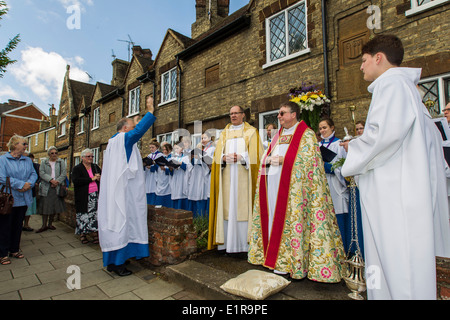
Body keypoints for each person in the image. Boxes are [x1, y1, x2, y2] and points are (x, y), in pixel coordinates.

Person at [340, 34, 450, 300]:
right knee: (392, 262)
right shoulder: (408, 91)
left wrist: (353, 148)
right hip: (404, 192)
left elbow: (383, 137)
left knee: (399, 265)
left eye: (364, 61)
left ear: (379, 58)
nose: (361, 67)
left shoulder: (391, 86)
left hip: (395, 198)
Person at [248, 102, 344, 281]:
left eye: (282, 113)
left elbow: (309, 161)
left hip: (295, 192)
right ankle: (273, 258)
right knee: (272, 220)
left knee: (290, 222)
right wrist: (268, 159)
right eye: (278, 113)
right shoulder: (278, 135)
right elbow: (265, 156)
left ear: (293, 115)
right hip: (273, 188)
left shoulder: (306, 134)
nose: (279, 116)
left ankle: (289, 263)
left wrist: (285, 160)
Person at [98, 96, 156, 276]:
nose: (133, 128)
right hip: (123, 191)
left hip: (115, 190)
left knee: (118, 223)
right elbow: (137, 132)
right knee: (123, 222)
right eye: (131, 125)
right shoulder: (123, 139)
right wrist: (150, 111)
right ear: (124, 128)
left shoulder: (113, 142)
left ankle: (113, 263)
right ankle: (119, 264)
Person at [208, 106, 263, 254]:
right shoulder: (224, 134)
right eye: (231, 113)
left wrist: (243, 158)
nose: (233, 116)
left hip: (244, 178)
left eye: (236, 113)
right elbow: (216, 157)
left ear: (243, 115)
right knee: (226, 208)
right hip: (226, 177)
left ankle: (243, 247)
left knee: (242, 209)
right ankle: (225, 244)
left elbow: (258, 156)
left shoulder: (251, 132)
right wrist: (223, 158)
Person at [0, 136, 37, 265]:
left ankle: (14, 249)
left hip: (23, 199)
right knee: (5, 226)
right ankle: (3, 253)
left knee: (17, 226)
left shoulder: (27, 160)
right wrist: (21, 185)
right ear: (15, 145)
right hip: (8, 200)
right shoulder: (3, 160)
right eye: (24, 144)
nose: (26, 146)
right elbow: (2, 178)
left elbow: (34, 174)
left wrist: (29, 184)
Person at [318, 118, 349, 251]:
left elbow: (345, 167)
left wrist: (331, 168)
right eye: (320, 129)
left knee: (338, 219)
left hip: (336, 186)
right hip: (323, 184)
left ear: (332, 127)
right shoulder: (319, 146)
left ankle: (343, 249)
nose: (322, 131)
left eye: (325, 127)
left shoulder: (339, 144)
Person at [72, 148, 101, 244]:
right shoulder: (77, 168)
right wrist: (91, 179)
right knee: (83, 215)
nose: (90, 158)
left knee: (94, 215)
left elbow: (102, 176)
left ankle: (94, 234)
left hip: (95, 194)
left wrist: (99, 178)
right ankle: (83, 234)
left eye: (92, 156)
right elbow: (76, 181)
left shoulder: (95, 167)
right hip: (83, 195)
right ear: (82, 157)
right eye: (88, 156)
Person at [36, 146, 67, 233]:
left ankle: (50, 224)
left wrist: (57, 182)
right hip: (47, 186)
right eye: (52, 153)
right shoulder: (44, 162)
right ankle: (44, 225)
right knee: (45, 206)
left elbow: (64, 173)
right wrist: (51, 180)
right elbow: (41, 173)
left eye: (56, 153)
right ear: (49, 154)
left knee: (54, 206)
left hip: (56, 187)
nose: (54, 155)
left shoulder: (61, 162)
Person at [23, 153, 40, 232]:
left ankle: (26, 224)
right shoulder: (22, 165)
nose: (30, 159)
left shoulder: (36, 166)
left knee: (29, 210)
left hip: (31, 190)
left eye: (31, 158)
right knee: (22, 209)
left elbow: (39, 176)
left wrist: (36, 182)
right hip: (22, 190)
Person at [169, 143, 189, 210]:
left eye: (177, 148)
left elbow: (188, 168)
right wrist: (171, 168)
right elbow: (170, 172)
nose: (176, 150)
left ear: (182, 148)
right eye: (175, 148)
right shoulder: (172, 157)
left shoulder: (186, 157)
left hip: (182, 178)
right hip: (175, 178)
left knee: (181, 193)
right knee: (175, 194)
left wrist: (180, 163)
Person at [155, 142, 172, 207]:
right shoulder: (161, 157)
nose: (164, 151)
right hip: (160, 178)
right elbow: (156, 168)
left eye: (166, 150)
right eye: (163, 150)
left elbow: (172, 170)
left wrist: (165, 169)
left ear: (170, 150)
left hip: (168, 180)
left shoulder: (171, 158)